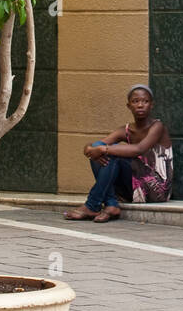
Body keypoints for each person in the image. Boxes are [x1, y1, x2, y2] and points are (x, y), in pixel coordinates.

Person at [63, 85, 173, 223]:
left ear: (151, 105)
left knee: (108, 152)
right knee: (100, 149)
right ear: (128, 106)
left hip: (156, 190)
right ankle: (111, 205)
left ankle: (93, 204)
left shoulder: (157, 127)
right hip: (132, 188)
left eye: (145, 101)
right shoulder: (126, 129)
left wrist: (102, 150)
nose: (140, 105)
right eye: (135, 101)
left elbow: (139, 149)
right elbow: (96, 146)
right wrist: (90, 149)